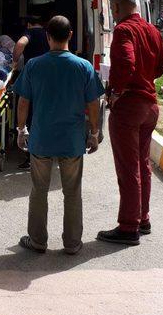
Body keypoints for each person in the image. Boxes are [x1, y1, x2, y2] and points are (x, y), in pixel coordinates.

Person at [14, 16, 104, 255]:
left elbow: (23, 101)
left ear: (47, 36)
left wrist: (21, 130)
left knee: (38, 191)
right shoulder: (83, 66)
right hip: (72, 140)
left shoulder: (34, 65)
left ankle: (37, 241)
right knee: (72, 193)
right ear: (71, 35)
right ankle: (72, 243)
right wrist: (94, 133)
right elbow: (93, 103)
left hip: (41, 139)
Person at [97, 0, 163, 247]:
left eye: (112, 10)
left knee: (128, 169)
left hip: (129, 108)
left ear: (116, 8)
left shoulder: (123, 30)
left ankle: (128, 227)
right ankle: (143, 218)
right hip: (150, 107)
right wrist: (144, 80)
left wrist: (116, 92)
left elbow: (126, 64)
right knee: (142, 165)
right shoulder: (153, 30)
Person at [13, 17, 50, 169]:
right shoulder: (48, 33)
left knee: (30, 115)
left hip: (33, 76)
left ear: (29, 24)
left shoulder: (30, 32)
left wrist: (15, 60)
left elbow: (20, 43)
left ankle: (30, 156)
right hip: (49, 76)